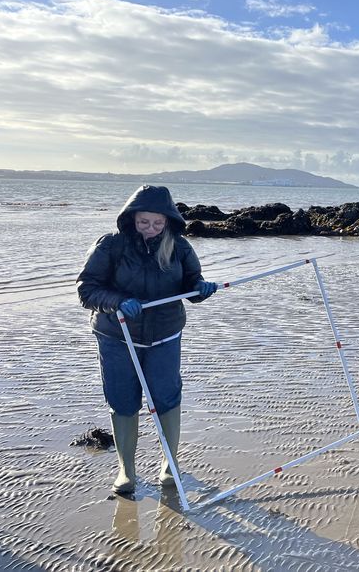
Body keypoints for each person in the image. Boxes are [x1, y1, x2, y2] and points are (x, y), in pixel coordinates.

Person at [77, 185, 217, 494]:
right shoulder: (111, 246)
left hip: (165, 333)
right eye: (144, 222)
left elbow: (191, 282)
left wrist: (201, 288)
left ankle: (170, 464)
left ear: (168, 220)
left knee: (167, 396)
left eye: (157, 223)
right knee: (123, 399)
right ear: (131, 219)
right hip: (117, 335)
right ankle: (126, 470)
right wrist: (117, 301)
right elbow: (87, 289)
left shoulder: (179, 247)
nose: (151, 229)